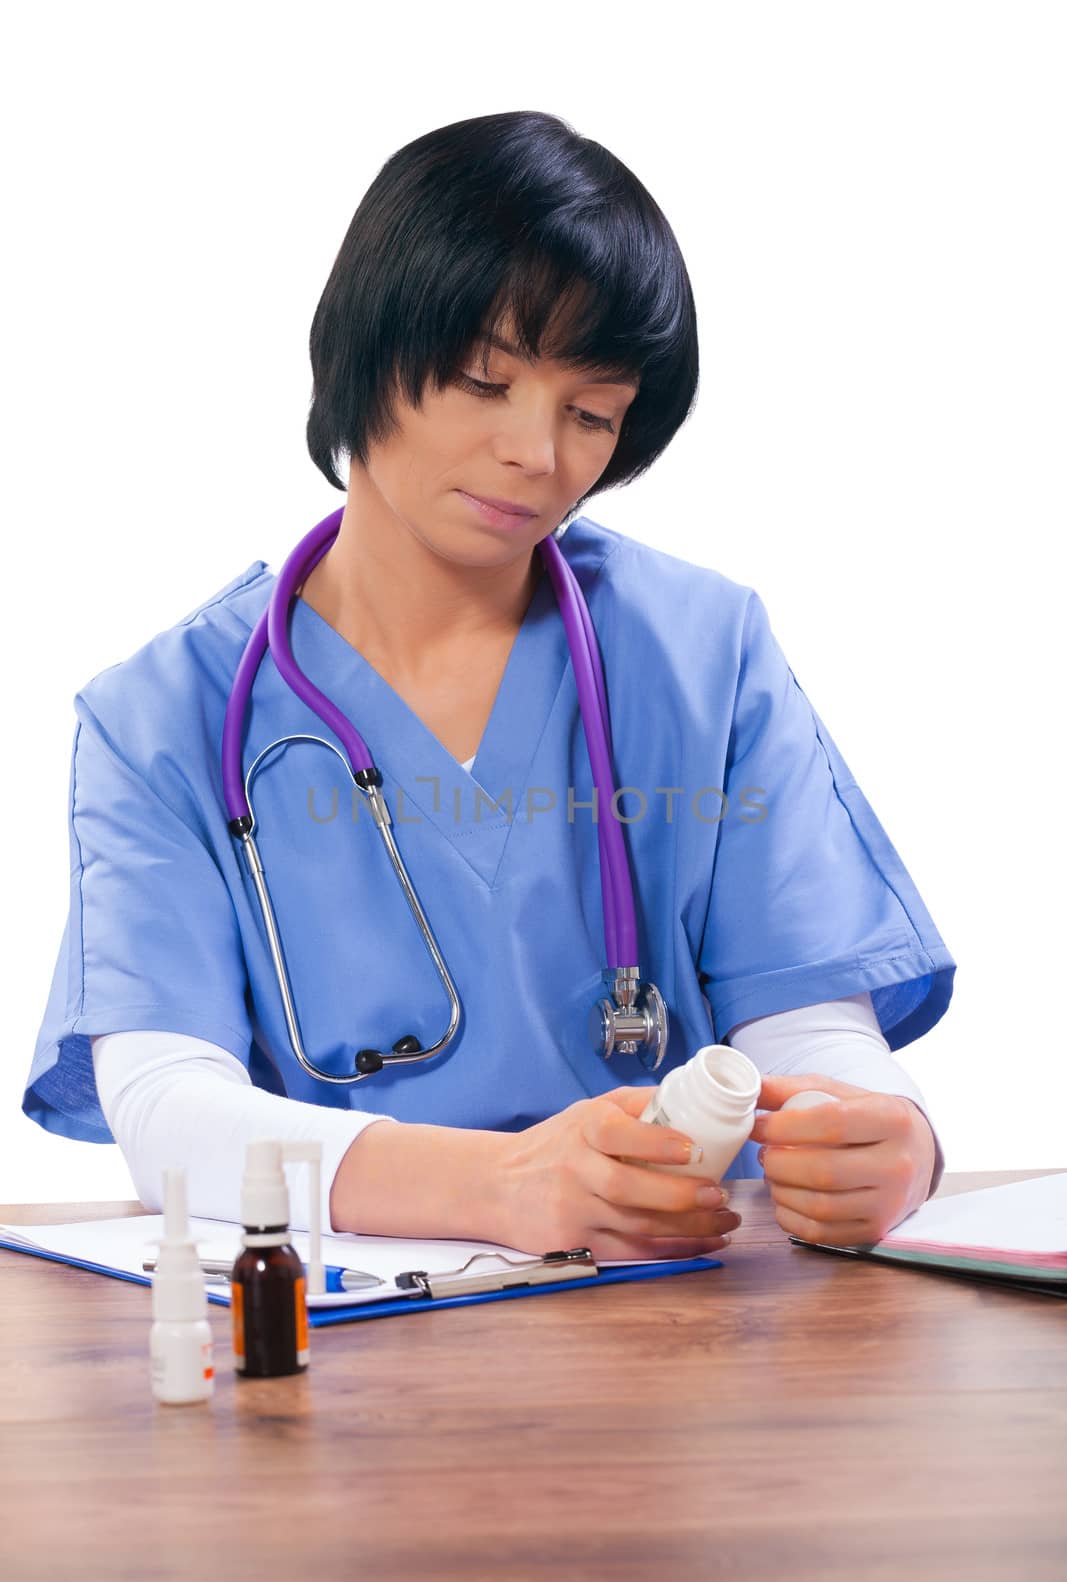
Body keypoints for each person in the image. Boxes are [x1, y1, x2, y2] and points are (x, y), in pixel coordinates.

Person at [24, 110, 954, 1259]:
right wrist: (502, 1183)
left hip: (677, 1334)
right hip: (345, 1366)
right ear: (366, 354)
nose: (538, 452)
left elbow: (801, 1013)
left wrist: (877, 1131)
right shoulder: (162, 719)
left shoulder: (698, 648)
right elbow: (167, 1108)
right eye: (483, 379)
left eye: (590, 412)